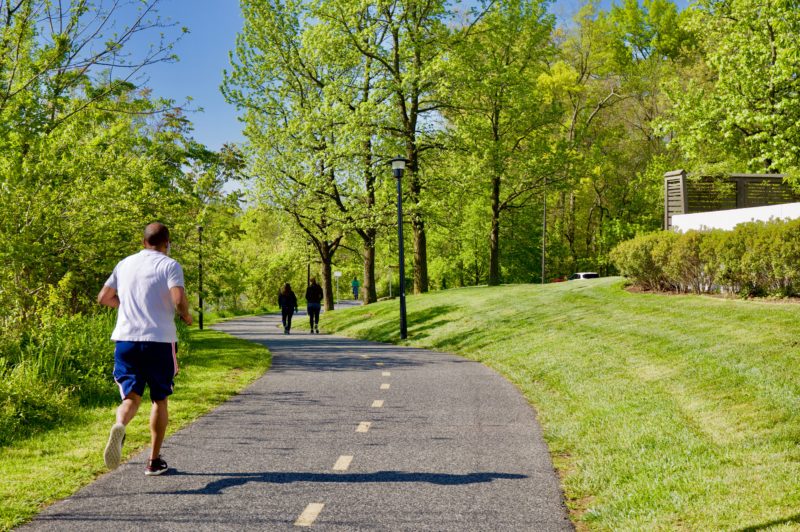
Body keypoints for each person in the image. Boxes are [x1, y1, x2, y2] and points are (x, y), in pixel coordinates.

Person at [97, 222, 192, 476]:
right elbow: (178, 299)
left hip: (126, 340)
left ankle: (120, 424)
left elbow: (104, 297)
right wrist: (186, 315)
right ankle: (153, 461)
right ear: (167, 243)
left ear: (143, 242)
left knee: (131, 397)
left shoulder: (125, 264)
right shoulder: (170, 265)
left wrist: (127, 307)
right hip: (160, 341)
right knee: (159, 399)